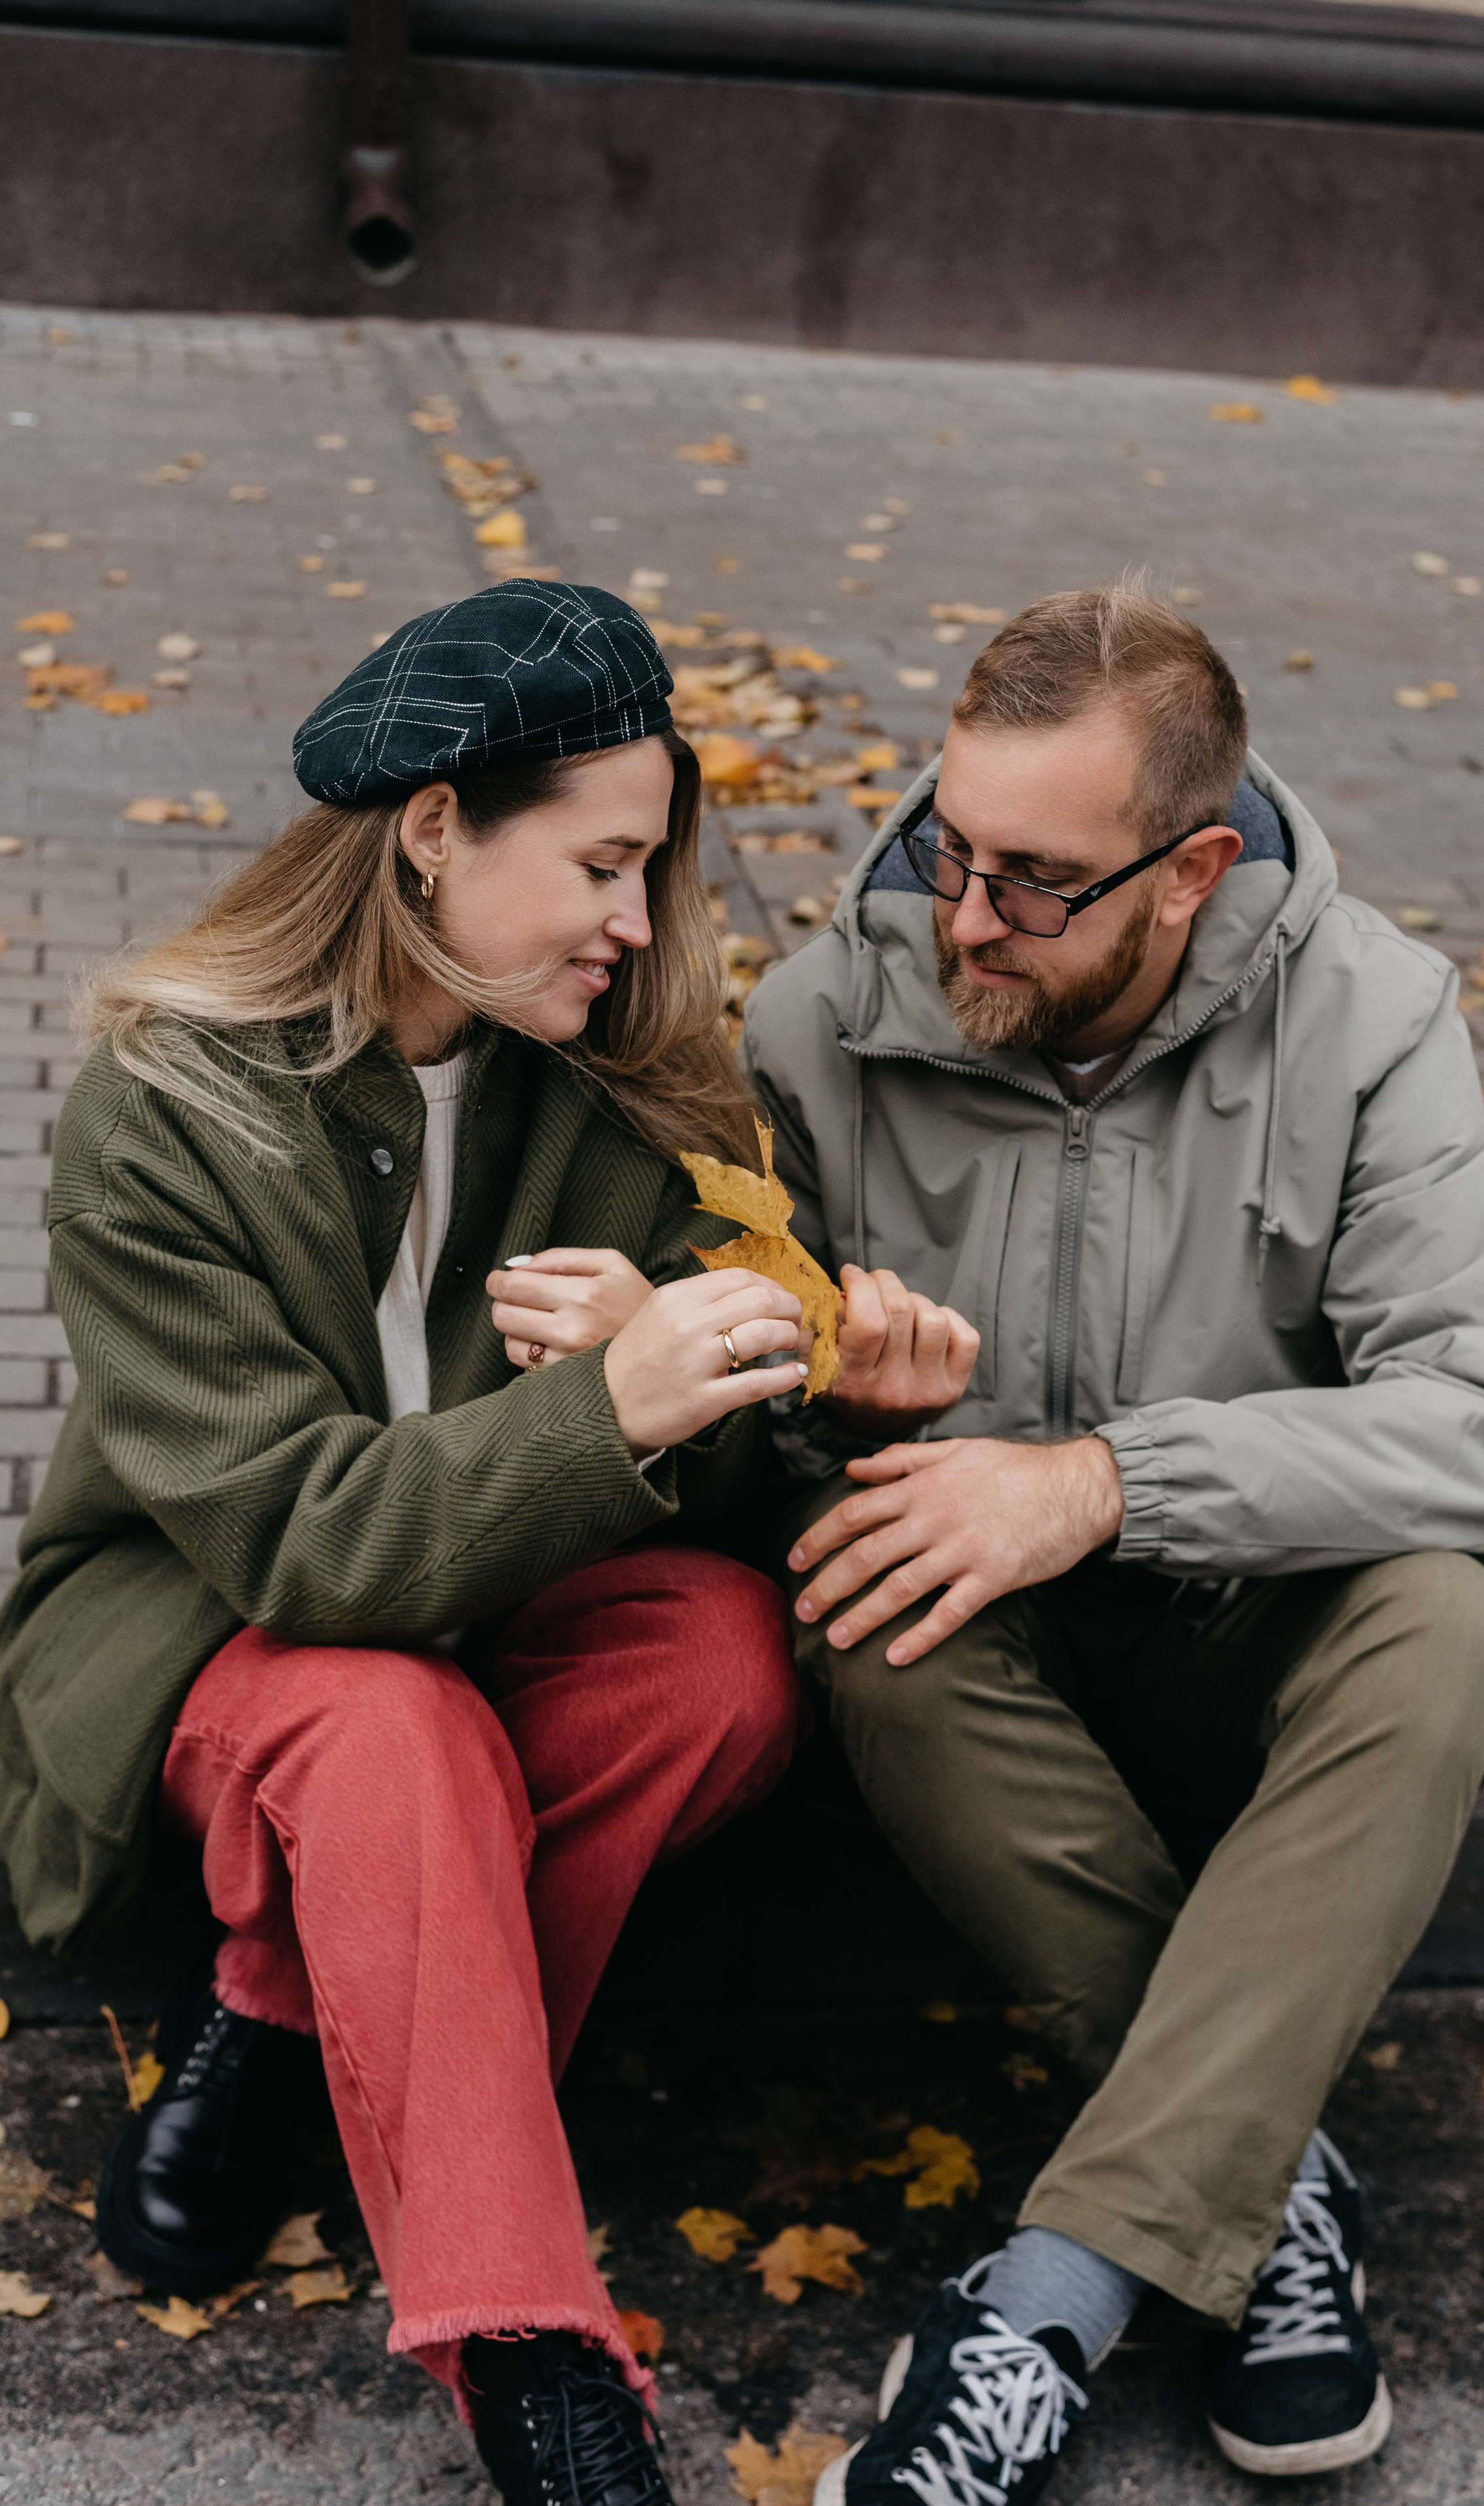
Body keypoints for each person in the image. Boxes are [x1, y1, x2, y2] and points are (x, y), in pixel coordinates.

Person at [740, 585, 1484, 2489]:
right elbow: (744, 1439)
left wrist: (1107, 1483)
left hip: (1241, 1643)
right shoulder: (818, 1023)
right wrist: (839, 1414)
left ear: (1191, 871)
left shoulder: (1370, 1018)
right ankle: (1266, 2181)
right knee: (861, 1588)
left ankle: (1049, 2302)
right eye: (950, 844)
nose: (967, 916)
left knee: (1448, 1625)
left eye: (1040, 881)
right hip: (981, 1707)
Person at [0, 581, 814, 2506]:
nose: (639, 921)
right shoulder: (164, 1107)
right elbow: (297, 1542)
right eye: (600, 866)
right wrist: (606, 1410)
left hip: (487, 1620)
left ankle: (288, 2012)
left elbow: (745, 1489)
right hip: (209, 1633)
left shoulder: (628, 1072)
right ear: (434, 828)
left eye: (651, 867)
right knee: (390, 1721)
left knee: (717, 1659)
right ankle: (540, 2376)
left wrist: (702, 1377)